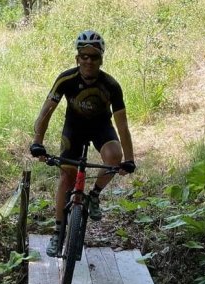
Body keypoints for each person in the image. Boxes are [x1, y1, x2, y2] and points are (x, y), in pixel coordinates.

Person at [30, 29, 136, 257]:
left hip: (101, 127)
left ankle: (94, 195)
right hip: (74, 128)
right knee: (66, 177)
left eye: (94, 56)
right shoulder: (66, 79)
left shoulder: (111, 85)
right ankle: (58, 232)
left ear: (101, 59)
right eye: (84, 56)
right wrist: (37, 142)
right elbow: (46, 111)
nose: (88, 61)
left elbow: (123, 126)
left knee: (113, 156)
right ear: (77, 58)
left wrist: (129, 159)